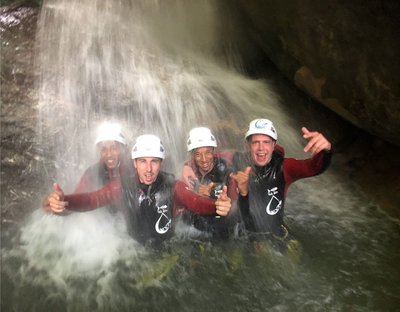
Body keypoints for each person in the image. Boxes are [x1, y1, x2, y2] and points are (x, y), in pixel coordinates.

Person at [43, 134, 232, 248]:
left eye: (154, 161)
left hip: (167, 247)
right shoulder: (121, 186)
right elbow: (93, 199)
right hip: (133, 249)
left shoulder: (173, 185)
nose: (149, 169)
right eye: (143, 161)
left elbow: (194, 202)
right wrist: (65, 201)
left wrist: (216, 206)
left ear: (161, 163)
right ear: (134, 163)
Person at [230, 118, 332, 252]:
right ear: (248, 145)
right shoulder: (237, 166)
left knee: (299, 256)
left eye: (266, 142)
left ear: (273, 145)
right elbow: (213, 160)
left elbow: (313, 168)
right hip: (244, 235)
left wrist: (326, 150)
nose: (261, 148)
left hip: (275, 232)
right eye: (256, 142)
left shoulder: (284, 167)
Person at [42, 121, 130, 213]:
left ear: (125, 148)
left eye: (114, 148)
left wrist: (67, 201)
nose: (108, 154)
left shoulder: (135, 169)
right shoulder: (93, 172)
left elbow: (92, 200)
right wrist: (56, 204)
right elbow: (78, 204)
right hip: (111, 218)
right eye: (104, 149)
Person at [179, 127, 238, 239]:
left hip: (222, 228)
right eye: (198, 154)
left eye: (208, 153)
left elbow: (234, 204)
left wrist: (217, 198)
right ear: (193, 156)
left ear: (213, 152)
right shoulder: (189, 171)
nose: (204, 159)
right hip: (196, 229)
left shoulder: (226, 170)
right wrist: (196, 194)